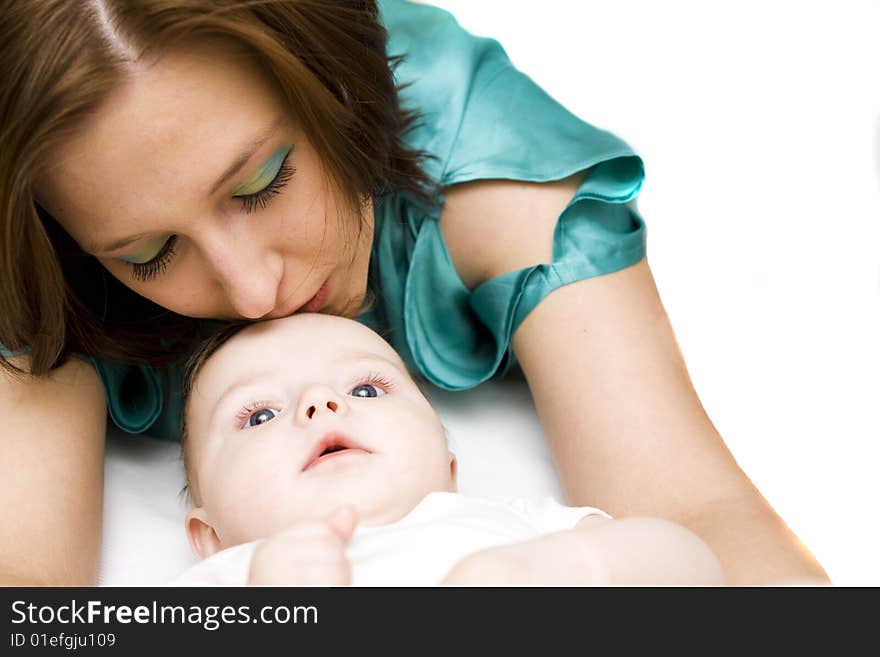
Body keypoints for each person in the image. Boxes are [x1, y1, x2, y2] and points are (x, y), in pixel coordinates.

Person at [0, 0, 828, 586]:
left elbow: (695, 511)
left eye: (263, 180)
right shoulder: (48, 235)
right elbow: (29, 593)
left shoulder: (495, 168)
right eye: (149, 254)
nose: (253, 291)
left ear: (340, 85)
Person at [172, 313, 725, 586]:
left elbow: (694, 572)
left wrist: (557, 566)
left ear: (450, 468)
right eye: (260, 415)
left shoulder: (511, 522)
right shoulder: (231, 578)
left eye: (365, 388)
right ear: (209, 537)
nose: (319, 403)